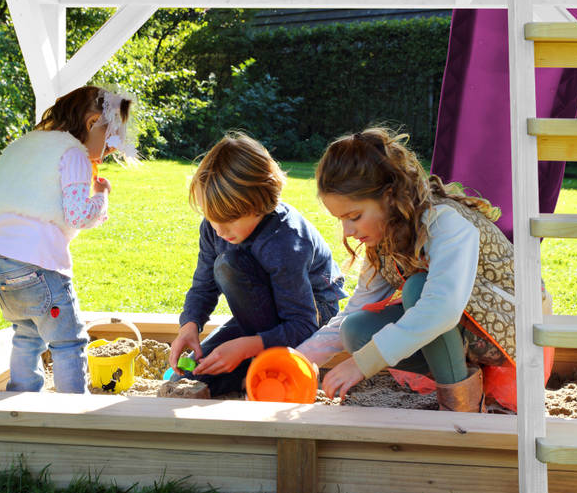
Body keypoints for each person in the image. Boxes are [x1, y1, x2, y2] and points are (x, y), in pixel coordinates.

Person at [296, 127, 553, 413]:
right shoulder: (383, 240)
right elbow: (358, 307)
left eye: (354, 217)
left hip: (516, 327)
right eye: (341, 220)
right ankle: (462, 377)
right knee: (355, 330)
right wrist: (300, 358)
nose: (348, 230)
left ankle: (461, 409)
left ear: (390, 196)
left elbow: (441, 308)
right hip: (464, 327)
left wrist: (363, 363)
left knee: (419, 289)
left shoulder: (444, 222)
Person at [0, 86, 135, 394]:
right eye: (111, 136)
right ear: (91, 124)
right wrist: (101, 197)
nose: (111, 149)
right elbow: (77, 214)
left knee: (26, 333)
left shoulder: (21, 146)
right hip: (37, 263)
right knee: (68, 341)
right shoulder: (72, 152)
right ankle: (73, 408)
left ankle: (21, 400)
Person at [168, 132, 347, 396]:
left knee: (229, 266)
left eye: (229, 219)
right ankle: (252, 367)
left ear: (261, 203)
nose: (218, 229)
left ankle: (261, 364)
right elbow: (203, 285)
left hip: (311, 313)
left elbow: (303, 324)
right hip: (260, 314)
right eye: (211, 217)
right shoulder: (215, 226)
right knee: (195, 373)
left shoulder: (285, 240)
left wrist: (245, 346)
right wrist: (190, 324)